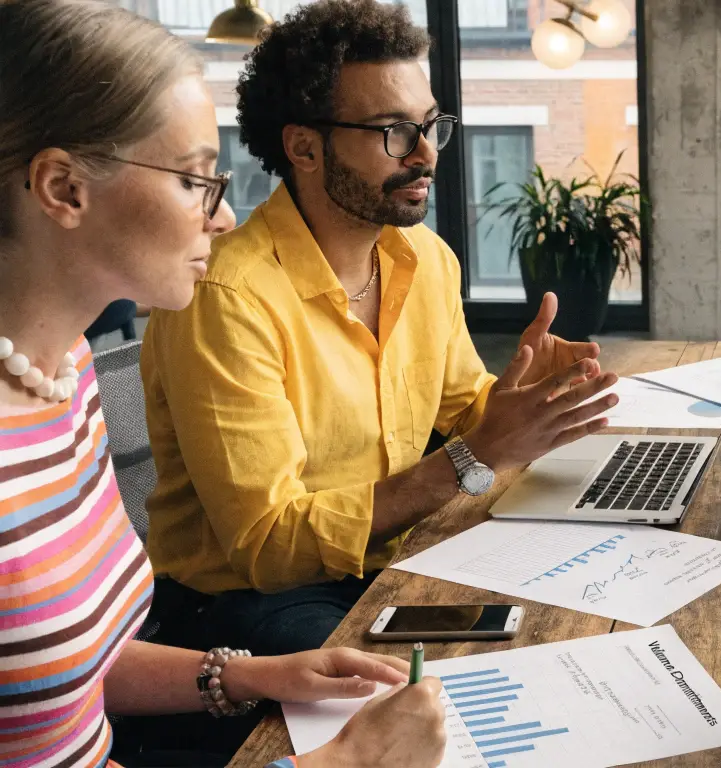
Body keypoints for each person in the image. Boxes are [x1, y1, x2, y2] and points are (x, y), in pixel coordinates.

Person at [0, 1, 447, 766]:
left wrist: (247, 674)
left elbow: (52, 674)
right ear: (63, 189)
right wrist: (348, 762)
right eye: (194, 180)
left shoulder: (59, 376)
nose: (224, 217)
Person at [141, 0, 620, 657]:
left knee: (573, 617)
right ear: (305, 147)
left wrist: (520, 403)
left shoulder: (422, 261)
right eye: (395, 132)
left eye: (430, 126)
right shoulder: (226, 297)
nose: (426, 154)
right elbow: (267, 549)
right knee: (418, 703)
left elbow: (462, 410)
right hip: (239, 610)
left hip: (388, 557)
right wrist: (474, 456)